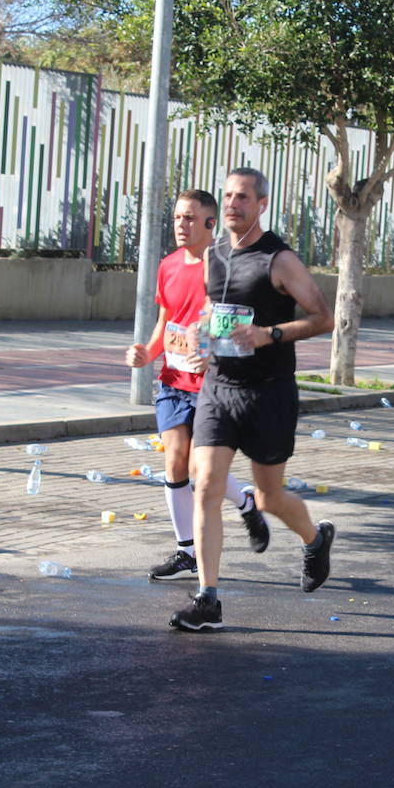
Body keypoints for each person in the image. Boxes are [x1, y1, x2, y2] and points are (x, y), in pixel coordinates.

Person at [169, 167, 335, 631]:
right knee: (203, 484)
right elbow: (211, 308)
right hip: (220, 386)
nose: (231, 205)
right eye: (226, 197)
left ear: (262, 204)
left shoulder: (278, 259)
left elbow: (324, 317)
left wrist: (269, 334)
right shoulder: (214, 253)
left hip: (269, 392)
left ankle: (315, 538)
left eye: (242, 197)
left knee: (268, 497)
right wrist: (203, 336)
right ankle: (208, 599)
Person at [126, 190, 270, 581]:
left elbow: (236, 324)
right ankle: (186, 552)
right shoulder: (168, 265)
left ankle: (245, 505)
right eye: (176, 218)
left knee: (198, 467)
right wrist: (147, 354)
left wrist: (213, 352)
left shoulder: (225, 267)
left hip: (213, 382)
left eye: (189, 218)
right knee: (175, 458)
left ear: (210, 223)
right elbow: (165, 322)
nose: (180, 225)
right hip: (173, 379)